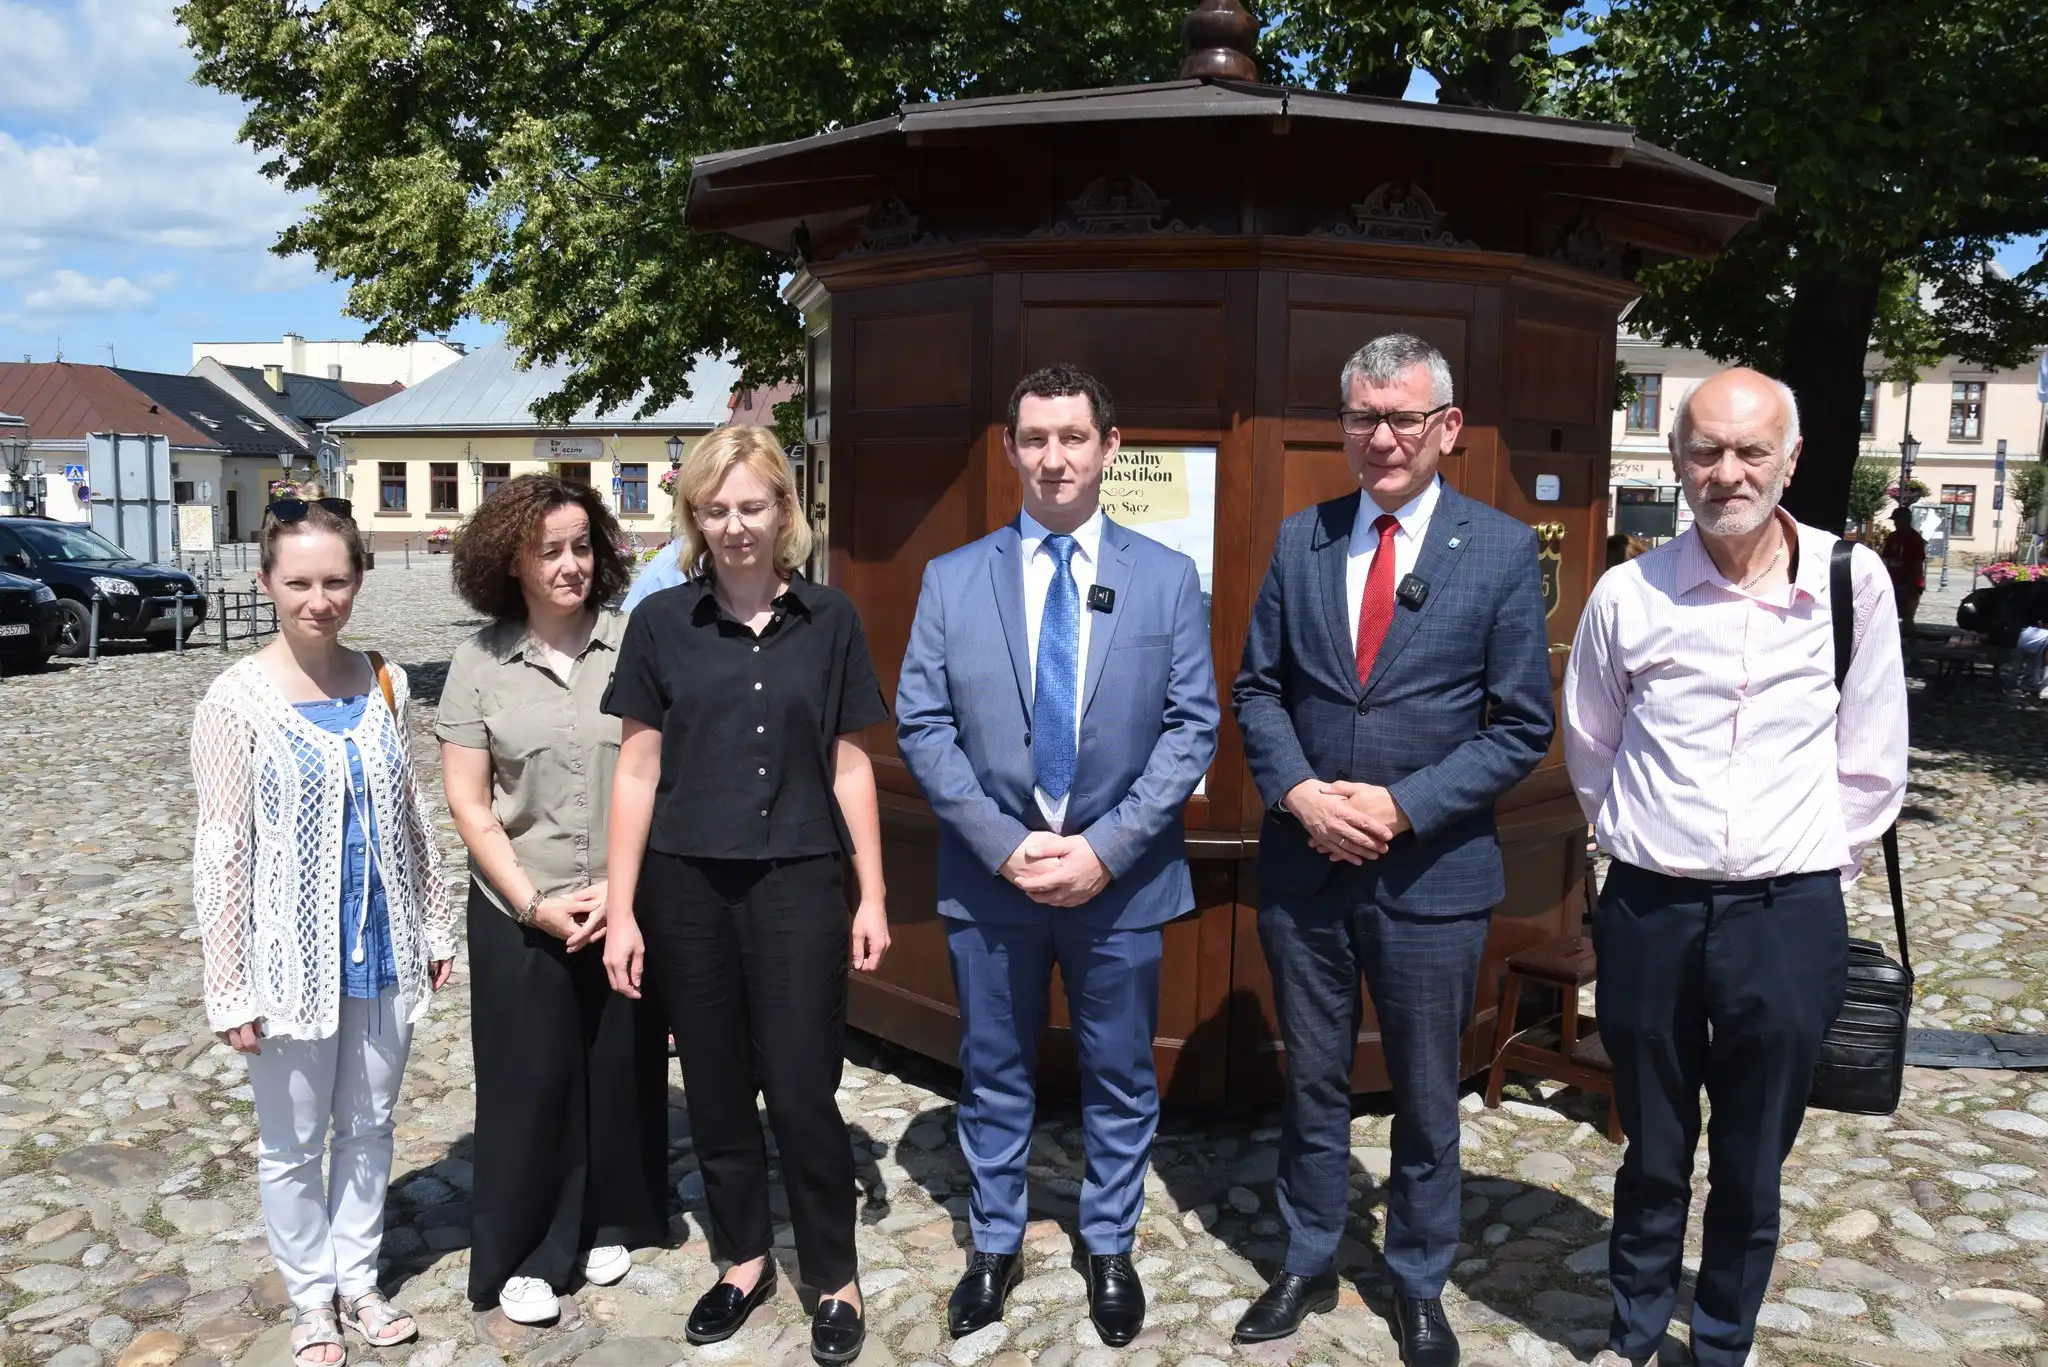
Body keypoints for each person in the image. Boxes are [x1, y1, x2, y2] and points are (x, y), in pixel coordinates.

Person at [1563, 368, 1907, 1367]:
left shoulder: (1849, 583)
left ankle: (1720, 1337)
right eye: (1704, 449)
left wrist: (1804, 868)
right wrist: (1647, 843)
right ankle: (1630, 1331)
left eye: (1749, 450)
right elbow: (1591, 744)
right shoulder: (1628, 592)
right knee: (1652, 1146)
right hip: (1649, 904)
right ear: (1676, 460)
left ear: (1788, 459)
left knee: (1752, 1155)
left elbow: (1871, 759)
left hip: (1784, 910)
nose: (1726, 471)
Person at [1231, 334, 1554, 1365]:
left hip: (1431, 873)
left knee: (1423, 1092)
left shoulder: (1499, 551)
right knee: (1313, 1077)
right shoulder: (1300, 539)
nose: (1380, 436)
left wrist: (1402, 805)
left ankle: (1417, 1276)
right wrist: (1295, 792)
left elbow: (1517, 725)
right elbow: (1257, 690)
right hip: (1305, 865)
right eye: (1361, 416)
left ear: (1444, 428)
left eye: (1401, 417)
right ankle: (1307, 1252)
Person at [896, 363, 1219, 1348]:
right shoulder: (951, 578)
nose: (1052, 456)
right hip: (991, 881)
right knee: (994, 1067)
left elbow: (1191, 725)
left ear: (1108, 448)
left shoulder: (1164, 578)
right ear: (1008, 450)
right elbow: (920, 722)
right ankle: (992, 1241)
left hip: (1117, 884)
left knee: (1118, 1068)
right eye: (1033, 438)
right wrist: (1001, 844)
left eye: (1071, 437)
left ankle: (1108, 1241)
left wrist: (1105, 849)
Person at [600, 425, 891, 1367]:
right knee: (719, 1088)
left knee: (805, 1088)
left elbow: (851, 768)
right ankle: (742, 1258)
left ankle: (833, 1274)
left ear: (784, 511)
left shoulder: (833, 620)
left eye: (752, 506)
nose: (734, 526)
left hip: (802, 883)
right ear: (694, 517)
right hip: (687, 886)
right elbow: (637, 773)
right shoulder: (660, 625)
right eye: (715, 508)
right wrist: (623, 904)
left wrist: (872, 894)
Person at [190, 495, 456, 1367]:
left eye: (335, 579)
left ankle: (359, 1277)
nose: (318, 599)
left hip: (382, 948)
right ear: (266, 581)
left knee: (372, 1123)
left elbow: (409, 811)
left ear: (358, 579)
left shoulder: (383, 679)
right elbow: (223, 849)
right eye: (299, 581)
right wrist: (228, 980)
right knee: (294, 1141)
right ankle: (310, 1298)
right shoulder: (236, 702)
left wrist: (433, 920)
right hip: (288, 961)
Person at [437, 475, 669, 1325]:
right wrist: (533, 901)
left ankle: (611, 1213)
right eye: (549, 551)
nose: (570, 565)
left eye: (581, 546)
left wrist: (621, 887)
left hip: (624, 896)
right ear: (511, 563)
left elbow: (659, 772)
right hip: (518, 907)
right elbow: (469, 801)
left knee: (620, 1065)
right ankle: (531, 1248)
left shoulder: (636, 641)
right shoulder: (478, 663)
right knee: (527, 1083)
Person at [1878, 505, 1926, 641]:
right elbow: (1886, 559)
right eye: (1894, 521)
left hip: (1910, 584)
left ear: (1906, 520)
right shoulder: (1892, 537)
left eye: (1897, 520)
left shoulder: (1915, 538)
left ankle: (1913, 649)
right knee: (1888, 616)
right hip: (1892, 582)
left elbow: (1917, 563)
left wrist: (1911, 583)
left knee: (1907, 617)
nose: (1895, 523)